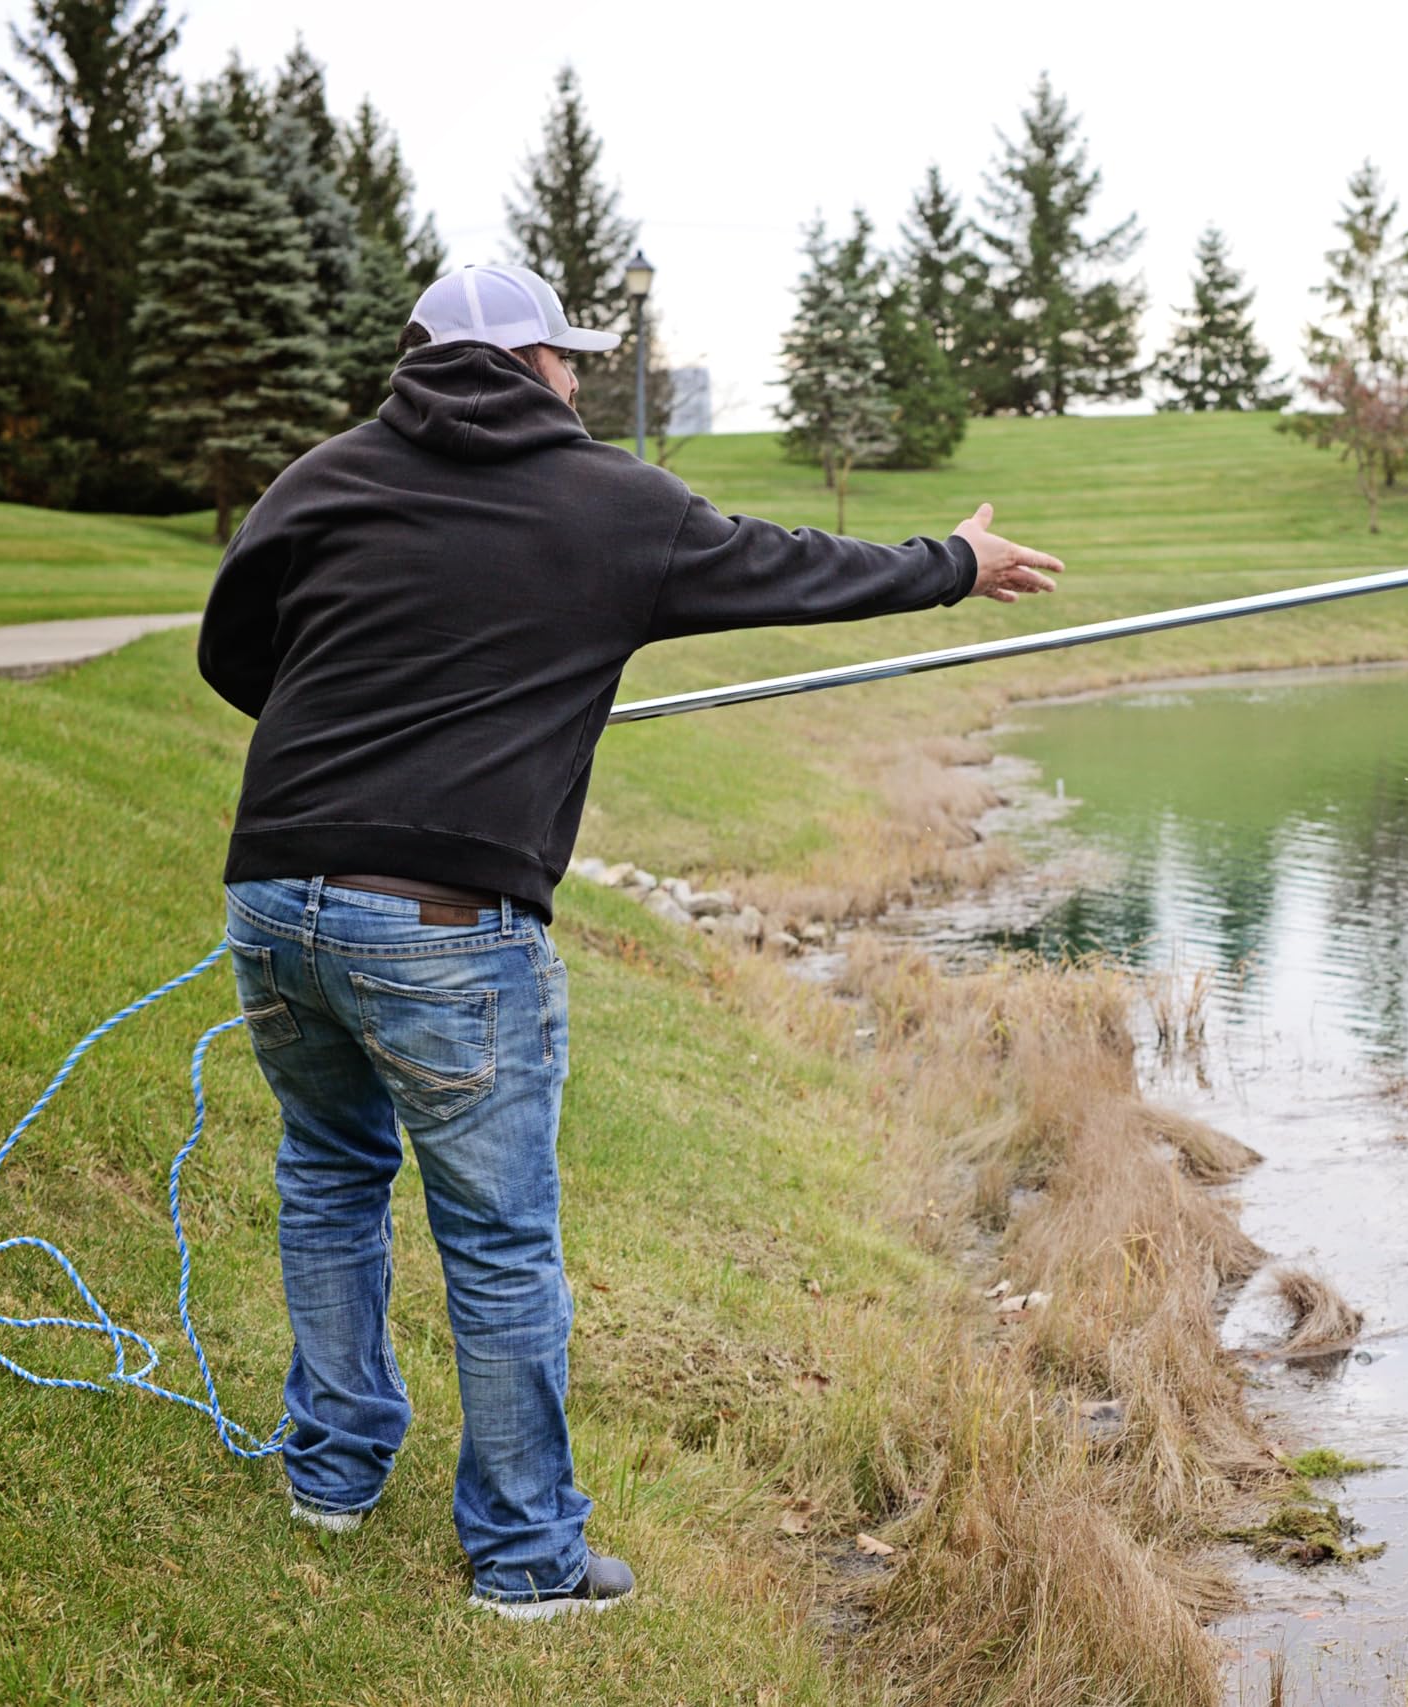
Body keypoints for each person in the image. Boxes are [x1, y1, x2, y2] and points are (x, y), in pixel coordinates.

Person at [196, 263, 1061, 1618]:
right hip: (440, 924)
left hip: (273, 898)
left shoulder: (320, 478)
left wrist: (382, 711)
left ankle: (334, 1474)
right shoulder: (615, 503)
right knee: (494, 1241)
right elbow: (800, 569)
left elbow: (239, 659)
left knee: (329, 1173)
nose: (582, 381)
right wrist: (956, 562)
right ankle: (530, 1561)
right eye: (571, 359)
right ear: (534, 363)